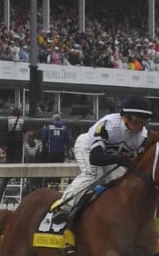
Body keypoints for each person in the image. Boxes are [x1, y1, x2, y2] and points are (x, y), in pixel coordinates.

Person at [50, 95, 153, 223]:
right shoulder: (108, 125)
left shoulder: (142, 136)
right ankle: (64, 207)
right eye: (136, 120)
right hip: (88, 147)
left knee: (120, 179)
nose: (140, 126)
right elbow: (95, 158)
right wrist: (119, 159)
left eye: (145, 121)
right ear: (124, 117)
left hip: (110, 155)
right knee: (94, 174)